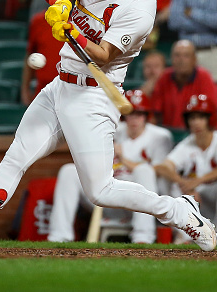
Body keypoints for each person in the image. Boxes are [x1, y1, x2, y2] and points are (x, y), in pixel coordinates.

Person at [0, 0, 217, 253]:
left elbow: (103, 55)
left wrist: (71, 31)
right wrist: (62, 5)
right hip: (59, 85)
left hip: (93, 98)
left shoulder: (141, 10)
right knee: (17, 155)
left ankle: (177, 210)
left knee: (100, 190)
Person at [48, 90, 174, 244]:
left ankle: (143, 237)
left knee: (144, 170)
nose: (135, 118)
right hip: (108, 196)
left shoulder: (159, 136)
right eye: (131, 113)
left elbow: (159, 170)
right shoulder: (113, 129)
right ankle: (59, 237)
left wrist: (124, 159)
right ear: (124, 115)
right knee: (69, 171)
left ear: (147, 116)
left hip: (139, 203)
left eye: (140, 114)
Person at [155, 94, 217, 244]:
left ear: (210, 119)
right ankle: (184, 235)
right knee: (169, 181)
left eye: (201, 117)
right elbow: (162, 167)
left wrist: (198, 181)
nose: (196, 122)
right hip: (202, 202)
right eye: (192, 118)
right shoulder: (187, 144)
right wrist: (184, 183)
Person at [152, 40, 217, 131]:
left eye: (186, 56)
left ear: (194, 59)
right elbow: (155, 113)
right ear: (171, 58)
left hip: (198, 135)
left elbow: (213, 114)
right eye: (177, 55)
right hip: (170, 136)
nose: (181, 60)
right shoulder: (164, 77)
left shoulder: (204, 77)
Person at [20, 9, 63, 104]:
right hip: (43, 93)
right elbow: (30, 55)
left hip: (72, 93)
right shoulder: (38, 21)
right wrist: (25, 90)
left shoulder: (82, 23)